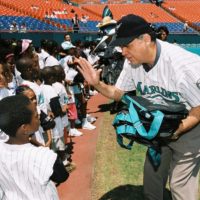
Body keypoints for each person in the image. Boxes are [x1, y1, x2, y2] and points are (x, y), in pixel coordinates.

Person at [76, 14, 200, 200]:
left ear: (146, 39)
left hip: (189, 126)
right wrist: (97, 84)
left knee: (180, 186)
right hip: (159, 125)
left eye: (127, 45)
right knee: (151, 183)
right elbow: (119, 93)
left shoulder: (182, 66)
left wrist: (176, 131)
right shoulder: (132, 62)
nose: (122, 51)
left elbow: (198, 110)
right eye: (120, 45)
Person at [0, 95, 68, 199]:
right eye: (36, 116)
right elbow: (62, 176)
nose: (39, 118)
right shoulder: (43, 156)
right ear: (25, 128)